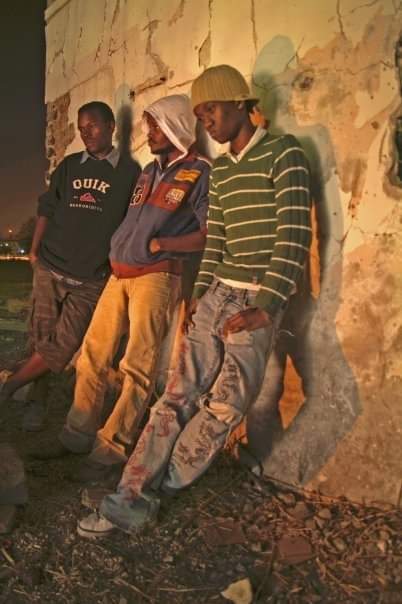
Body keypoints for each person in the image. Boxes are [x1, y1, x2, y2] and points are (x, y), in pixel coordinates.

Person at [76, 64, 312, 538]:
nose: (207, 121)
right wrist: (200, 295)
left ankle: (156, 488)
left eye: (212, 110)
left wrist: (267, 305)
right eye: (201, 114)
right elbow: (217, 239)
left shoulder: (284, 153)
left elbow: (294, 234)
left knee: (226, 405)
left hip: (257, 297)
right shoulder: (222, 169)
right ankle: (131, 494)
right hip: (218, 291)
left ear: (241, 104)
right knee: (176, 395)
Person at [34, 94, 210, 485]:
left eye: (156, 126)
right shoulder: (147, 171)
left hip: (157, 276)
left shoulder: (199, 172)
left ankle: (111, 449)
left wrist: (162, 245)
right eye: (149, 124)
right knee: (92, 355)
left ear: (176, 127)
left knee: (138, 366)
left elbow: (209, 233)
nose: (149, 133)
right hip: (120, 273)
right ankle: (76, 436)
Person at [0, 101, 140, 431]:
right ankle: (36, 403)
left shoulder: (129, 173)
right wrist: (35, 251)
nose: (85, 133)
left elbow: (130, 223)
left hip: (91, 277)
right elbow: (47, 208)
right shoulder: (69, 166)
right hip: (51, 266)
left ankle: (9, 386)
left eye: (92, 126)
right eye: (81, 127)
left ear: (111, 127)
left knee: (64, 345)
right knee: (40, 339)